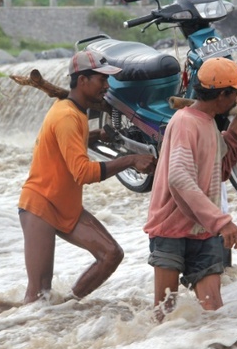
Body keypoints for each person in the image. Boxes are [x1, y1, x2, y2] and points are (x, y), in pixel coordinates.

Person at [18, 50, 157, 304]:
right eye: (102, 80)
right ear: (83, 81)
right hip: (40, 205)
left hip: (65, 204)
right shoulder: (67, 116)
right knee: (38, 294)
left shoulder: (74, 112)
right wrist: (130, 160)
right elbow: (82, 172)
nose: (107, 86)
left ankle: (68, 307)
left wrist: (97, 134)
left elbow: (68, 141)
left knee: (111, 254)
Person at [144, 57, 237, 320]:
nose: (235, 98)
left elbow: (222, 168)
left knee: (214, 313)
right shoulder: (185, 122)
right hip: (170, 229)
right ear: (222, 96)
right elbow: (179, 177)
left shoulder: (209, 123)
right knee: (165, 312)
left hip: (203, 231)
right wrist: (221, 222)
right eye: (234, 93)